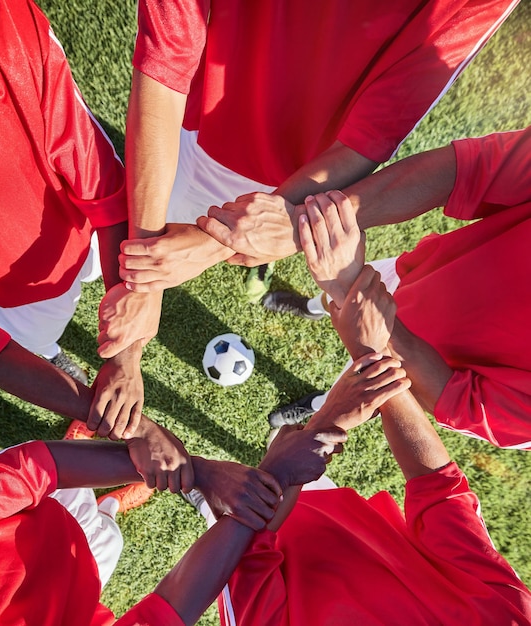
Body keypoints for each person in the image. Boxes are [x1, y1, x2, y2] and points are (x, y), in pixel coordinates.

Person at [97, 0, 520, 363]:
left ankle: (261, 252)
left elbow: (371, 136)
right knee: (163, 228)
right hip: (198, 128)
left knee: (264, 228)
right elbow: (168, 54)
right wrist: (144, 278)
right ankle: (259, 247)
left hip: (304, 173)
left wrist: (227, 241)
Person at [204, 204, 531, 625]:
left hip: (257, 526)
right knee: (284, 445)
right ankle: (318, 315)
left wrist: (319, 431)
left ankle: (206, 492)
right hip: (325, 504)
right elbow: (440, 493)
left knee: (228, 491)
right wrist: (369, 356)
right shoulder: (509, 617)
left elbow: (238, 564)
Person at [0, 0, 141, 440]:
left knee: (59, 308)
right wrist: (99, 391)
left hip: (77, 238)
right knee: (33, 344)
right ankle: (53, 357)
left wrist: (125, 354)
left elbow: (104, 187)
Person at [0, 409, 362, 624]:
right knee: (108, 535)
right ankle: (114, 503)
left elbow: (32, 469)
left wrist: (197, 472)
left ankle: (104, 470)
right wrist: (270, 479)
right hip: (81, 578)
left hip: (34, 514)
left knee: (69, 486)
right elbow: (164, 612)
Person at [260, 127, 531, 450]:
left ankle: (317, 405)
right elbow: (473, 168)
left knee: (350, 390)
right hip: (418, 272)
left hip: (412, 358)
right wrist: (318, 222)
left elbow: (459, 402)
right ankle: (311, 307)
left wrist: (365, 308)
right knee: (336, 287)